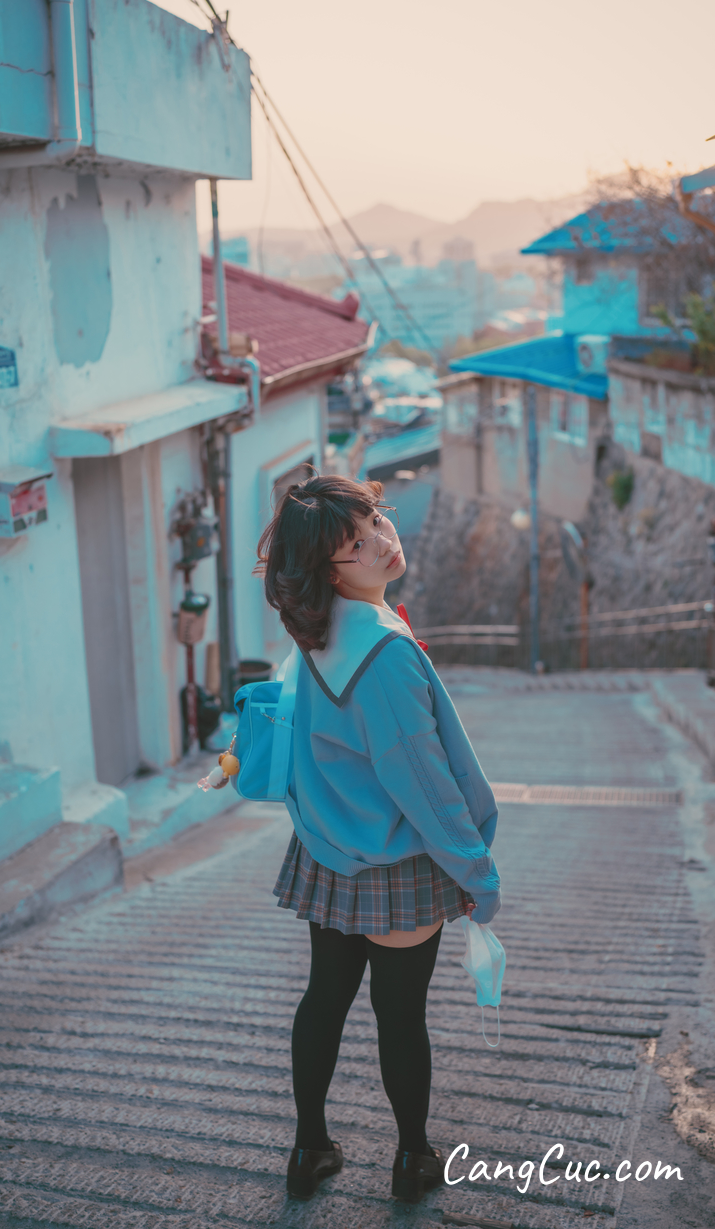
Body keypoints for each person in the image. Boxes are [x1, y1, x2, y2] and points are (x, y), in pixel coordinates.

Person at [256, 472, 501, 1204]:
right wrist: (476, 871)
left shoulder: (316, 633)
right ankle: (412, 1159)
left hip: (330, 852)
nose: (381, 544)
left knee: (323, 1000)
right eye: (355, 544)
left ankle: (308, 1151)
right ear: (325, 569)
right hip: (396, 861)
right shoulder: (384, 652)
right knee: (400, 1019)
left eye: (375, 524)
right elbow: (422, 782)